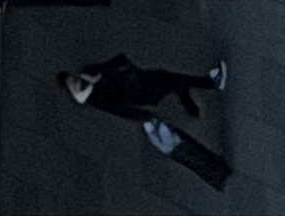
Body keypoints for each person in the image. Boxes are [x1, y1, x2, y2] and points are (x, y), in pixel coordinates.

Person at [65, 57, 232, 192]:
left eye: (72, 79)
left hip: (142, 83)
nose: (75, 81)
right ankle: (210, 83)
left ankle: (192, 98)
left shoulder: (89, 74)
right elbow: (124, 110)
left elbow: (119, 61)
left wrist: (98, 75)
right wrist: (147, 118)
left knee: (173, 81)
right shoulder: (97, 98)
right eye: (72, 84)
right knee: (180, 144)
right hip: (146, 96)